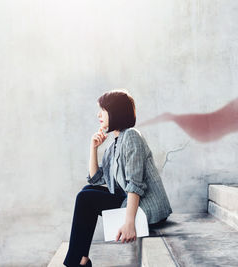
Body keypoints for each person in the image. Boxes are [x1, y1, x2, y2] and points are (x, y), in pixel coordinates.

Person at [63, 89, 173, 267]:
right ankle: (81, 259)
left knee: (85, 198)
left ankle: (76, 262)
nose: (98, 115)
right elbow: (96, 180)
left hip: (148, 208)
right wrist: (93, 148)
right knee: (87, 191)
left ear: (116, 113)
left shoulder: (131, 136)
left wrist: (129, 223)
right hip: (130, 200)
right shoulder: (114, 143)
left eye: (103, 110)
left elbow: (135, 184)